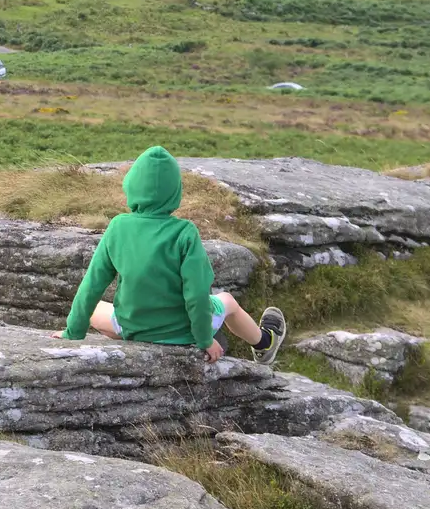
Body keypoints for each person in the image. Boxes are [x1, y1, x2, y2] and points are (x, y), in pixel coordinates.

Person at [59, 145, 286, 364]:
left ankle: (140, 335)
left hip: (133, 325)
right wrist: (204, 340)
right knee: (227, 301)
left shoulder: (117, 227)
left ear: (131, 186)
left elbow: (92, 284)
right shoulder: (185, 232)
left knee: (96, 308)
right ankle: (264, 343)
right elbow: (196, 294)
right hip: (182, 333)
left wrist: (73, 332)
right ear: (175, 192)